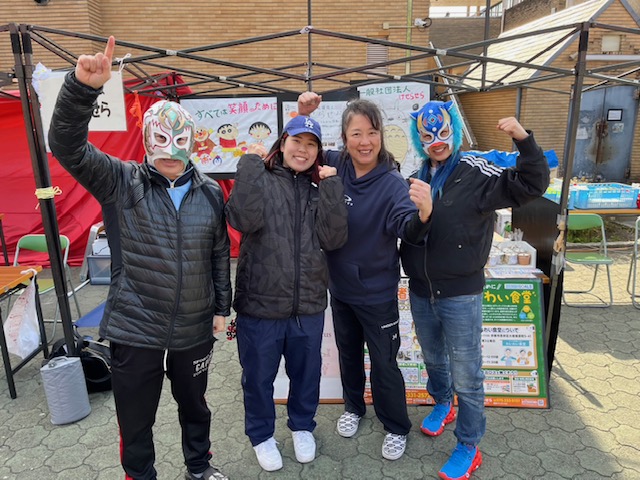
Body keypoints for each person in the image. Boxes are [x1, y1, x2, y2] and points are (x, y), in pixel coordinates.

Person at [48, 36, 231, 480]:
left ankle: (198, 467)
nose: (171, 148)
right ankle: (140, 475)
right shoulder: (121, 181)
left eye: (180, 138)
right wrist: (81, 89)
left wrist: (222, 308)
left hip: (194, 326)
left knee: (196, 406)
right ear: (147, 138)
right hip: (135, 327)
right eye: (161, 138)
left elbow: (219, 252)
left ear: (193, 141)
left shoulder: (209, 191)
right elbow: (67, 146)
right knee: (135, 418)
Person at [400, 100, 549, 480]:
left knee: (467, 374)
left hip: (461, 294)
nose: (437, 141)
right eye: (428, 135)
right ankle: (442, 403)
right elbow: (407, 231)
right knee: (433, 358)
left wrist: (523, 140)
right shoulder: (414, 177)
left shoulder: (476, 170)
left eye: (443, 132)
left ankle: (469, 444)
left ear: (453, 129)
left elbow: (531, 184)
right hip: (421, 291)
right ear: (418, 138)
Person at [298, 92, 432, 461]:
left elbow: (407, 227)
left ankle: (396, 426)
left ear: (381, 136)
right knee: (348, 354)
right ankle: (354, 408)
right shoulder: (335, 163)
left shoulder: (392, 183)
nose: (365, 142)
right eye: (356, 134)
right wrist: (301, 114)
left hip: (377, 293)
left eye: (372, 133)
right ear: (344, 138)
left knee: (385, 362)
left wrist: (424, 215)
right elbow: (298, 152)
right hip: (340, 287)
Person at [225, 115, 348, 472]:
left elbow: (334, 239)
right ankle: (262, 436)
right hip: (259, 304)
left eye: (311, 145)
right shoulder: (261, 178)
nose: (302, 150)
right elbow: (241, 219)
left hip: (307, 304)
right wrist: (249, 163)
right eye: (297, 141)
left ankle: (302, 426)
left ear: (318, 152)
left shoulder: (318, 188)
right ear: (282, 144)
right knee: (258, 378)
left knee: (306, 375)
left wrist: (331, 187)